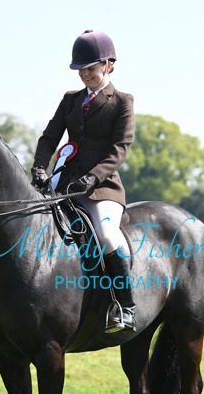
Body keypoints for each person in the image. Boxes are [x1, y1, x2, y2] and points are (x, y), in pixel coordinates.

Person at [31, 29, 136, 333]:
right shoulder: (70, 100)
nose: (85, 74)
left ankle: (125, 307)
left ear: (108, 65)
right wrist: (39, 167)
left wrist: (92, 177)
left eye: (91, 68)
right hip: (63, 184)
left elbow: (120, 149)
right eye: (81, 69)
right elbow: (49, 137)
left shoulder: (122, 102)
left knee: (106, 235)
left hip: (102, 188)